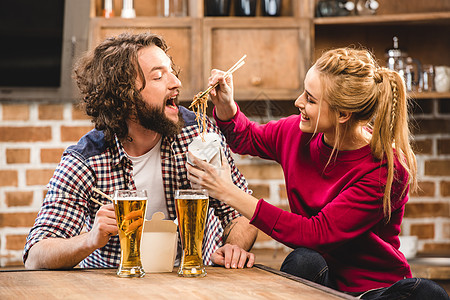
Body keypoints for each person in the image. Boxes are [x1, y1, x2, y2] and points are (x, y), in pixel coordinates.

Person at [187, 47, 450, 299]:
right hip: (321, 284)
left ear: (343, 114)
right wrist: (226, 106)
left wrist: (227, 191)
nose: (298, 102)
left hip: (374, 292)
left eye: (310, 99)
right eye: (304, 93)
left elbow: (317, 234)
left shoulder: (384, 169)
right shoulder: (296, 133)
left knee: (428, 293)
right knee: (304, 260)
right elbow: (245, 137)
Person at [23, 32, 257, 270]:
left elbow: (245, 214)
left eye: (171, 72)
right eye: (158, 76)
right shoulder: (85, 160)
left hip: (191, 281)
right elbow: (36, 255)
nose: (176, 83)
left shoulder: (199, 135)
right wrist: (90, 239)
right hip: (118, 286)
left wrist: (234, 247)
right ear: (124, 96)